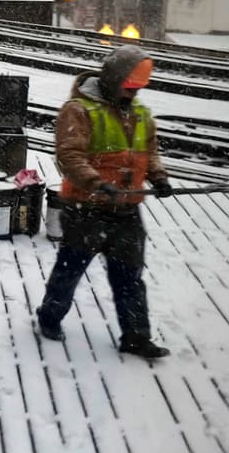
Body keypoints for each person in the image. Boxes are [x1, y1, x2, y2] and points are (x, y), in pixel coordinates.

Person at [36, 44, 174, 359]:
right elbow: (69, 155)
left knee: (130, 277)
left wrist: (159, 178)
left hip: (127, 210)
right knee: (70, 271)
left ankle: (136, 337)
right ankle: (50, 316)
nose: (134, 93)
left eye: (137, 87)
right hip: (85, 209)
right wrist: (96, 183)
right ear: (114, 78)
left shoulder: (140, 114)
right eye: (129, 86)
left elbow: (149, 152)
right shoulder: (79, 110)